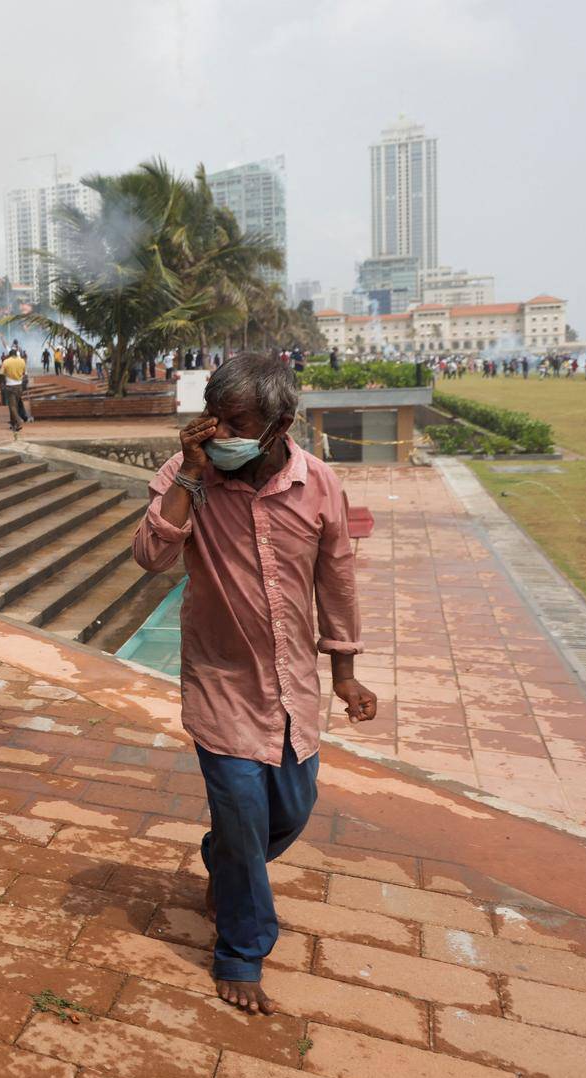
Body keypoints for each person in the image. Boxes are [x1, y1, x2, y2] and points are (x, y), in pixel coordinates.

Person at [130, 353, 377, 1016]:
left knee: (290, 812)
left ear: (281, 423)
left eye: (237, 424)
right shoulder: (190, 476)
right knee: (243, 811)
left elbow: (338, 581)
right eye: (213, 420)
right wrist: (188, 475)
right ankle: (241, 949)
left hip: (294, 686)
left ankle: (225, 859)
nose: (221, 435)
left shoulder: (318, 484)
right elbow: (150, 555)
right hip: (220, 681)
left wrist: (346, 674)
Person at [0, 347, 28, 432]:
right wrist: (24, 385)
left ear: (9, 355)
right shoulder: (22, 361)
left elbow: (1, 375)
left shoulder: (6, 362)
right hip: (19, 386)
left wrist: (1, 386)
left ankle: (18, 421)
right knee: (15, 406)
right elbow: (25, 374)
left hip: (10, 386)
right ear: (16, 354)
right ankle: (13, 423)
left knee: (12, 406)